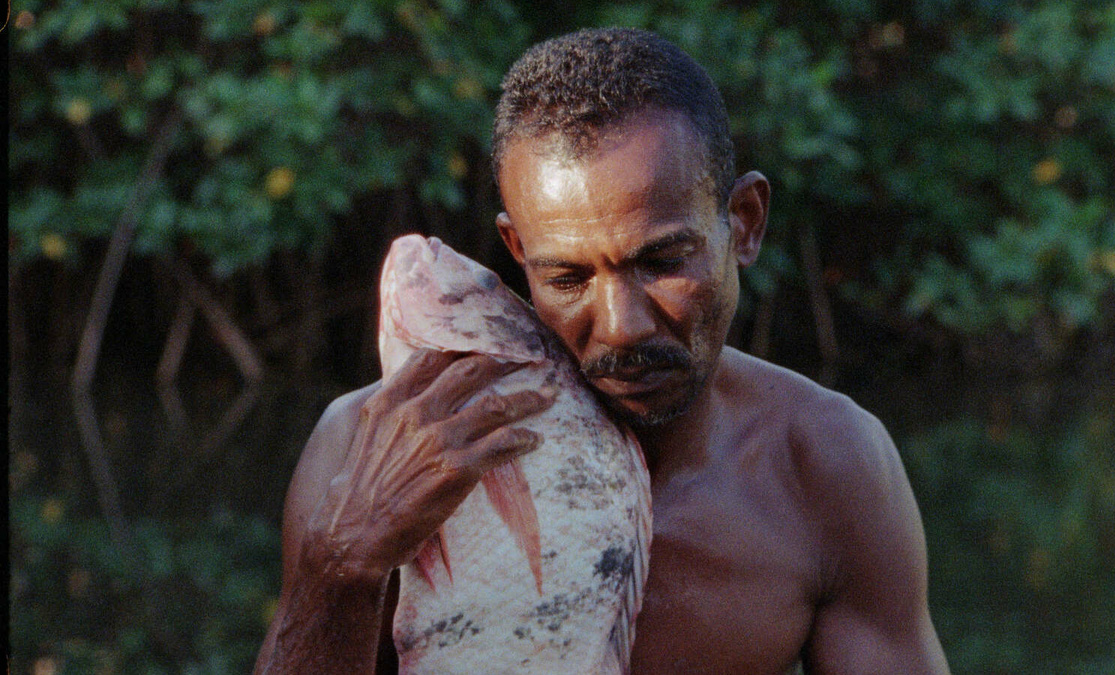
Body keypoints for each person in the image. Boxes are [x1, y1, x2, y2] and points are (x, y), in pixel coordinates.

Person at [255, 27, 949, 674]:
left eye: (663, 259)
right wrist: (337, 567)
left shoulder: (828, 462)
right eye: (567, 277)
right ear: (518, 253)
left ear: (744, 223)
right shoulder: (365, 452)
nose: (621, 327)